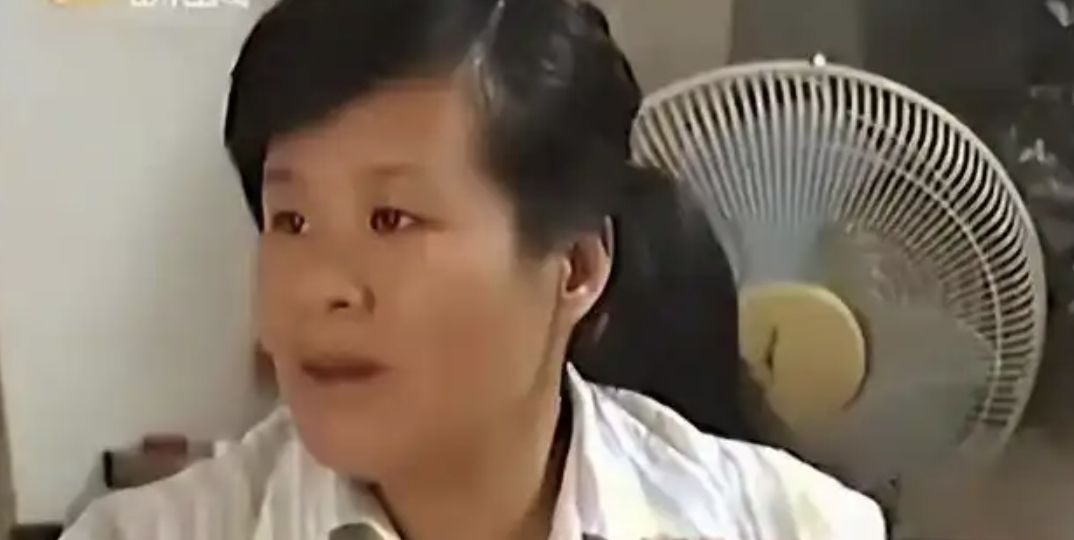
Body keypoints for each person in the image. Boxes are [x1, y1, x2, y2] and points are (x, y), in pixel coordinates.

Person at [62, 0, 886, 538]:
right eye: (292, 220)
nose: (319, 286)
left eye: (392, 219)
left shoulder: (797, 527)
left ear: (574, 268)